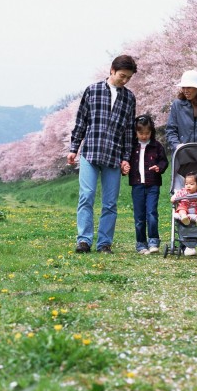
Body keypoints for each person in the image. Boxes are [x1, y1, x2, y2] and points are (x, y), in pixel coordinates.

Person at [68, 54, 137, 254]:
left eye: (128, 78)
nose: (124, 81)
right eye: (122, 76)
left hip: (114, 156)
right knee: (86, 196)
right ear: (112, 70)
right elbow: (81, 121)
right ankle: (84, 240)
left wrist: (126, 157)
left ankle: (104, 243)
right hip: (90, 152)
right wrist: (74, 149)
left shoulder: (129, 98)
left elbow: (128, 131)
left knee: (110, 203)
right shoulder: (92, 90)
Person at [128, 114, 169, 255]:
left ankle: (153, 241)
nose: (144, 136)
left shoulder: (157, 146)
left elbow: (164, 161)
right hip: (137, 185)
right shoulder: (132, 147)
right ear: (136, 132)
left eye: (147, 133)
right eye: (141, 133)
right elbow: (126, 161)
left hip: (153, 185)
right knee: (139, 216)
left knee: (151, 213)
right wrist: (125, 167)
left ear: (151, 132)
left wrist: (159, 167)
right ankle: (141, 243)